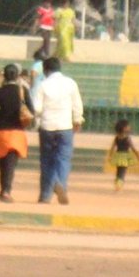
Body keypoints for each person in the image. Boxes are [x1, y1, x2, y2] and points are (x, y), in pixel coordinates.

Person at [35, 56, 84, 204]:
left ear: (45, 70)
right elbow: (77, 104)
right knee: (63, 159)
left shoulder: (43, 85)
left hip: (47, 126)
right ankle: (60, 184)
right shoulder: (71, 83)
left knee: (47, 160)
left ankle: (45, 195)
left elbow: (37, 108)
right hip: (65, 126)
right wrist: (77, 119)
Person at [0, 63, 34, 201]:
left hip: (2, 132)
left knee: (3, 162)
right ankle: (6, 191)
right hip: (17, 131)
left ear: (4, 76)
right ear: (17, 76)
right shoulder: (23, 90)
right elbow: (31, 111)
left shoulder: (0, 92)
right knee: (11, 162)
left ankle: (3, 190)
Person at [106, 117, 139, 189]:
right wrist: (137, 155)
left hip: (118, 155)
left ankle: (117, 180)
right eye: (128, 126)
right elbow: (133, 148)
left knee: (118, 169)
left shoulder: (117, 137)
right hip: (125, 156)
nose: (130, 127)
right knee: (123, 170)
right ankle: (120, 182)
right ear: (124, 128)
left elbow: (112, 148)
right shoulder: (127, 138)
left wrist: (110, 156)